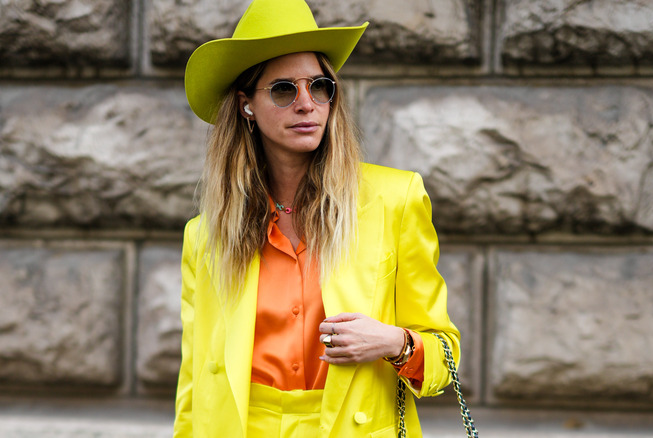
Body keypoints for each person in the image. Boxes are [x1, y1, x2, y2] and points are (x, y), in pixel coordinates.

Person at [174, 0, 461, 437]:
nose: (307, 104)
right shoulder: (208, 235)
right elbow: (195, 381)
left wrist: (394, 343)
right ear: (246, 104)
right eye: (284, 89)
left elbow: (445, 353)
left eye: (320, 86)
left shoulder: (393, 200)